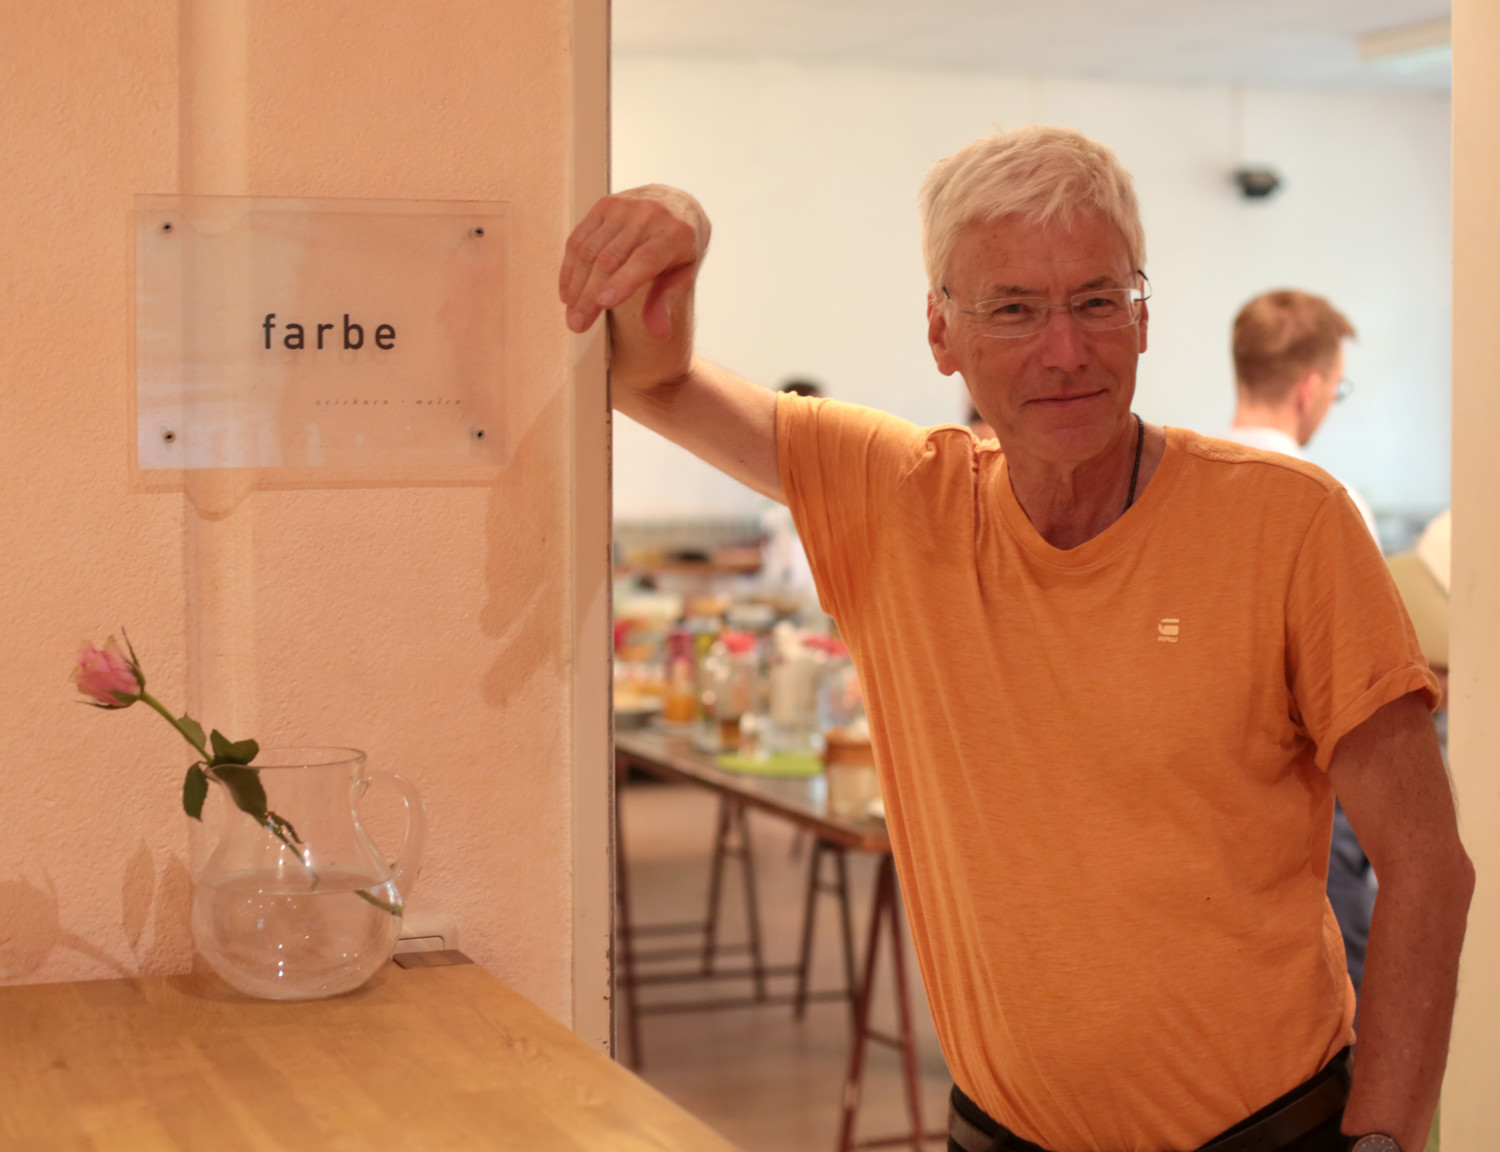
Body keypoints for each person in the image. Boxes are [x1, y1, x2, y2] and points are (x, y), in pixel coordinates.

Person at [560, 127, 1472, 1152]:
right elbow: (645, 379)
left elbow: (1427, 862)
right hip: (997, 1134)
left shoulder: (1289, 523)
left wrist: (1387, 1136)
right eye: (1013, 310)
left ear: (1141, 316)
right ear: (944, 335)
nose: (1066, 350)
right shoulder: (895, 499)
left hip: (1269, 1134)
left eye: (1096, 301)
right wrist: (678, 223)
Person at [1215, 289, 1380, 1002]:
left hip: (1204, 799)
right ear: (1311, 389)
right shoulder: (1330, 500)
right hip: (1309, 795)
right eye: (1338, 388)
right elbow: (1365, 682)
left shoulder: (1175, 484)